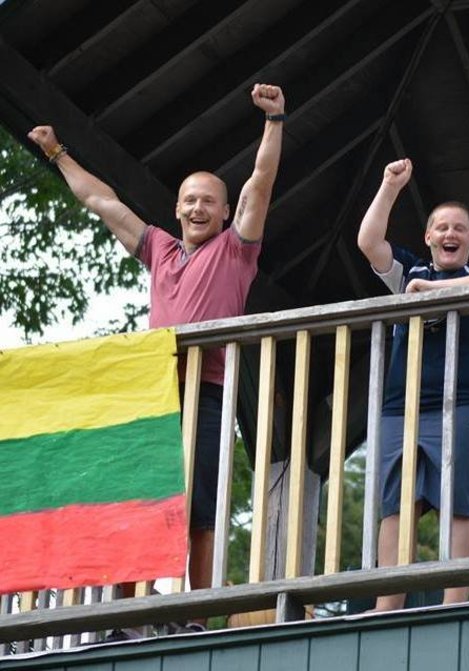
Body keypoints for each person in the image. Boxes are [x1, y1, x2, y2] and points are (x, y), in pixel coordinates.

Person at [28, 83, 286, 632]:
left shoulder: (236, 250)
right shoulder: (160, 249)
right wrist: (57, 153)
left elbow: (259, 186)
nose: (198, 208)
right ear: (177, 207)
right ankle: (128, 615)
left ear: (222, 212)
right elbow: (102, 202)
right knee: (138, 505)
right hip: (152, 396)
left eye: (208, 202)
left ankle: (196, 614)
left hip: (209, 392)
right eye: (190, 200)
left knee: (200, 514)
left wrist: (275, 122)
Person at [357, 158, 469, 610]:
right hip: (399, 406)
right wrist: (389, 186)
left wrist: (432, 294)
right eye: (441, 227)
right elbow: (368, 241)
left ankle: (454, 602)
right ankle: (388, 604)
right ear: (428, 237)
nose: (450, 235)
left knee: (459, 500)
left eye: (459, 228)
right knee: (394, 504)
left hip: (459, 402)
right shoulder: (410, 272)